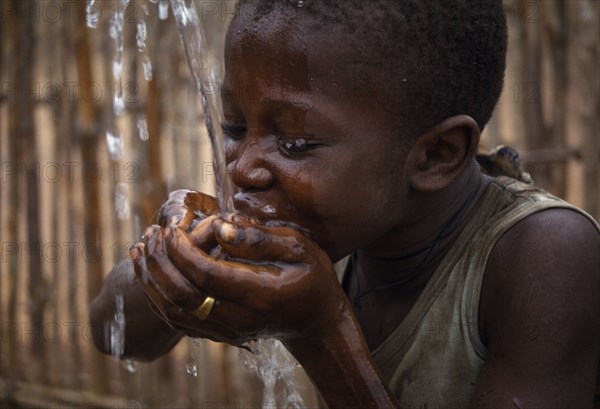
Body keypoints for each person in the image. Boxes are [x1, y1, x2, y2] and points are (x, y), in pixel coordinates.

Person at [89, 1, 600, 407]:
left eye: (295, 143)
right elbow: (112, 334)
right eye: (235, 126)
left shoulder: (548, 256)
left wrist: (322, 333)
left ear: (435, 156)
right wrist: (169, 260)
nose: (243, 168)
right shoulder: (326, 218)